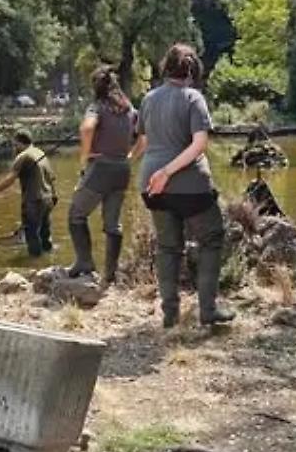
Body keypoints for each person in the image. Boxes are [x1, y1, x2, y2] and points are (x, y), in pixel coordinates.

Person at [136, 43, 235, 328]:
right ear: (192, 72)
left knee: (168, 248)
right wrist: (167, 171)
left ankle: (170, 315)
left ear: (167, 68)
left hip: (151, 185)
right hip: (189, 184)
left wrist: (139, 165)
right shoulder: (194, 98)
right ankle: (208, 309)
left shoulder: (149, 98)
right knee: (211, 238)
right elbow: (200, 143)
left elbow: (142, 142)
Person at [67, 67, 137, 283]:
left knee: (76, 214)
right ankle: (110, 274)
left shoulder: (96, 107)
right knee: (113, 224)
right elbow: (145, 137)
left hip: (100, 168)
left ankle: (85, 262)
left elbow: (87, 129)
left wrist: (85, 158)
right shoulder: (129, 110)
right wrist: (130, 156)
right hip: (122, 169)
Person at [0, 129, 57, 257]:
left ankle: (35, 264)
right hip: (47, 199)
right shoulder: (40, 153)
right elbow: (51, 178)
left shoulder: (23, 156)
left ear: (20, 143)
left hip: (33, 201)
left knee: (32, 236)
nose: (14, 148)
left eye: (15, 145)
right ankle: (49, 262)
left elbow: (10, 179)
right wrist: (54, 196)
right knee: (45, 235)